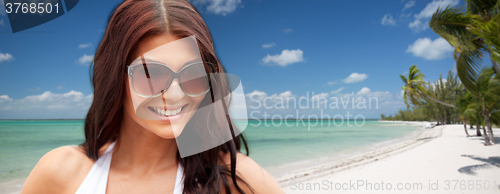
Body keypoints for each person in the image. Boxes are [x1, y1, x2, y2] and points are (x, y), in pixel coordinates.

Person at [21, 0, 284, 193]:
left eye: (194, 74)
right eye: (151, 74)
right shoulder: (60, 173)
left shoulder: (233, 178)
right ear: (116, 77)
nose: (175, 94)